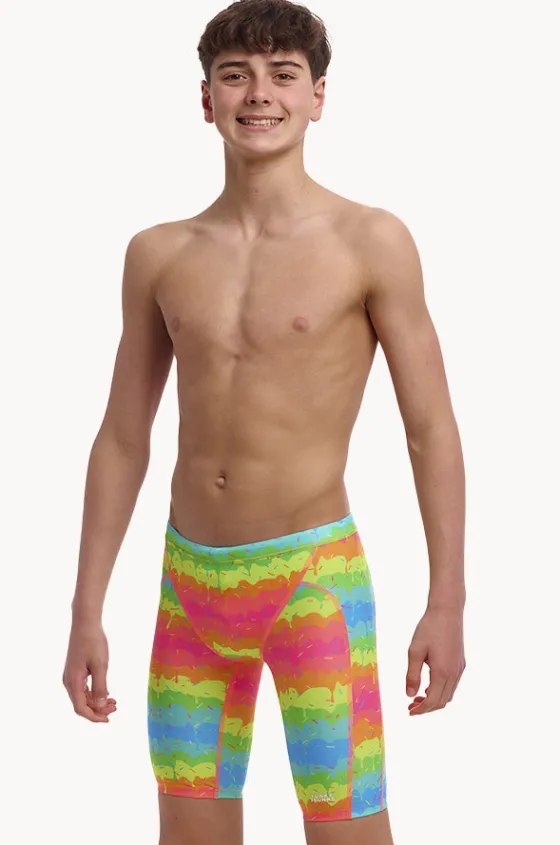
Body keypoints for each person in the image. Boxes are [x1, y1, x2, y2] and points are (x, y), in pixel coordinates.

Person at [63, 1, 467, 843]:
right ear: (204, 98)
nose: (259, 94)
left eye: (283, 75)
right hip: (189, 591)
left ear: (318, 97)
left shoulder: (370, 241)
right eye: (235, 75)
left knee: (347, 829)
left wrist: (447, 601)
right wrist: (85, 608)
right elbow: (123, 437)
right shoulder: (159, 253)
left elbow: (430, 429)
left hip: (312, 585)